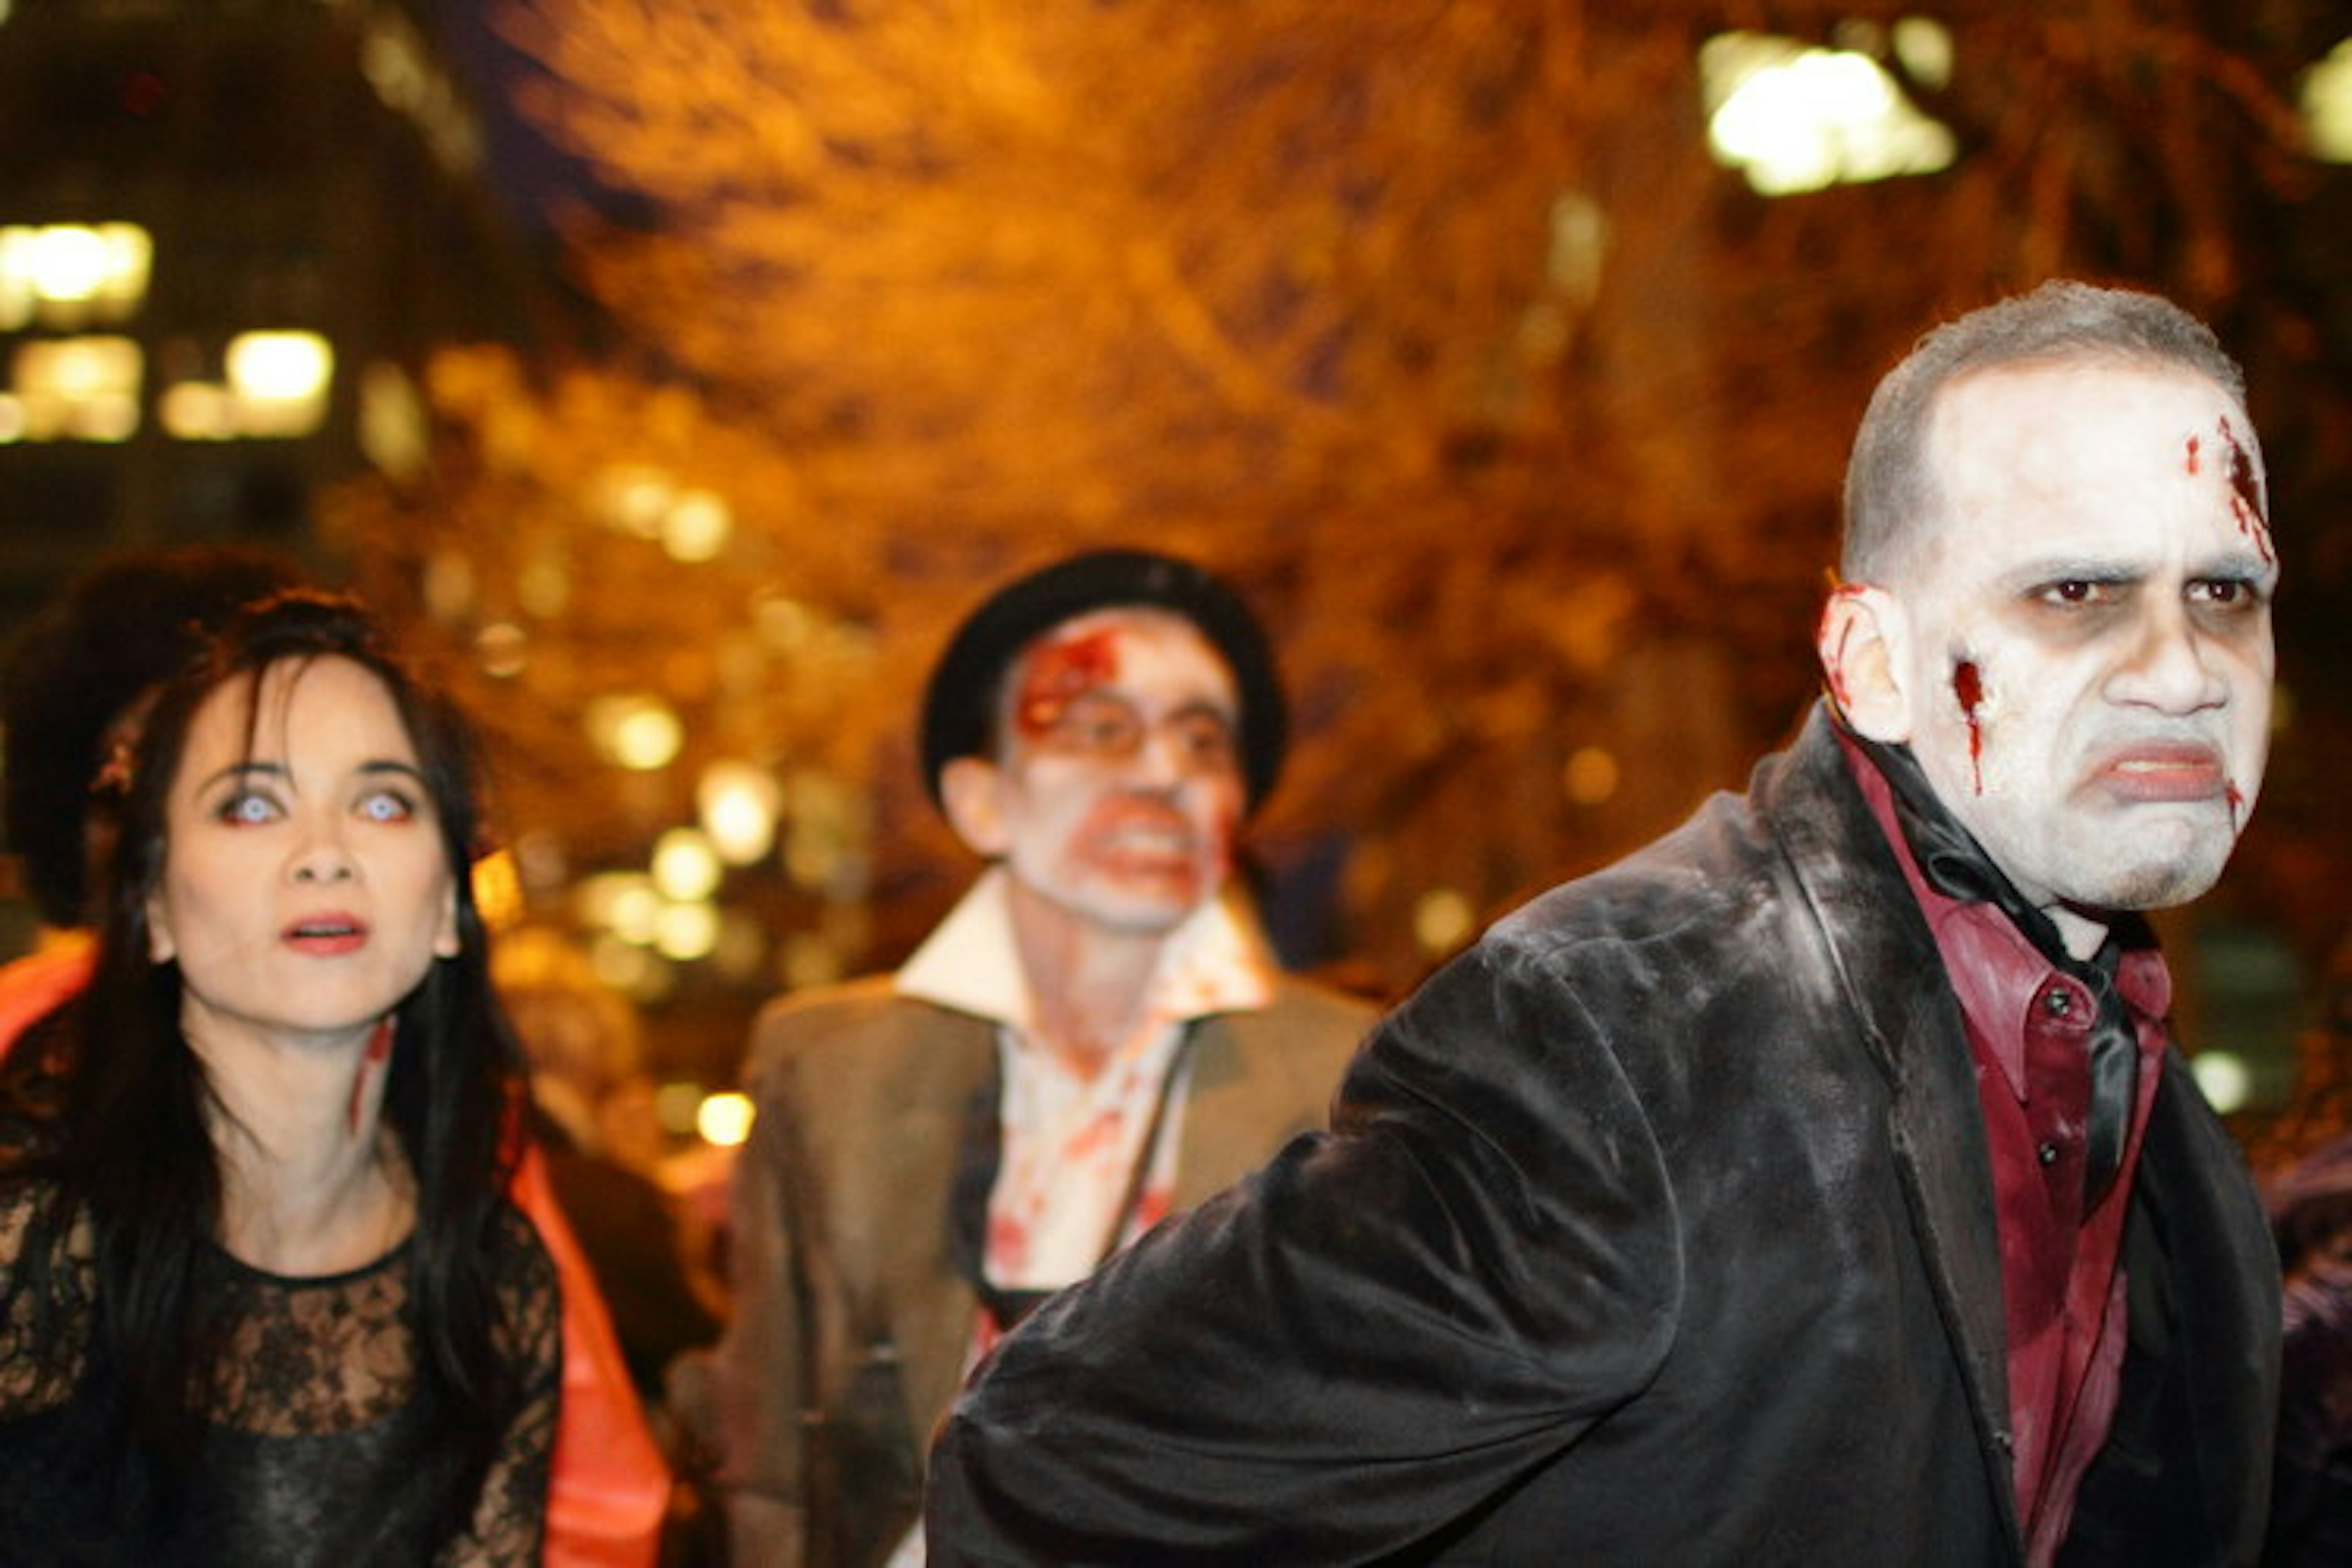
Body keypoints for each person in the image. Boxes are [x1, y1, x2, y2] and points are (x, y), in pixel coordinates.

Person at [924, 281, 2284, 1564]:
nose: (2179, 669)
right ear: (1873, 663)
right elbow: (1055, 1464)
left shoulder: (2140, 1079)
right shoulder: (1632, 1032)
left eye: (2224, 591)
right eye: (2077, 590)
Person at [687, 548, 1378, 1566]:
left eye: (1204, 740)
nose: (1163, 772)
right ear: (981, 802)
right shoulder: (822, 1067)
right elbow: (773, 1475)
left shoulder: (1355, 1076)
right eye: (1101, 728)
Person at [0, 553, 676, 1567]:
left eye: (385, 803)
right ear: (144, 901)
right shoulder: (35, 1244)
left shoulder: (491, 1275)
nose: (324, 852)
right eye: (252, 806)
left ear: (455, 902)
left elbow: (597, 1506)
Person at [0, 544, 301, 1042]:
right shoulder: (19, 1037)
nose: (160, 839)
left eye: (236, 804)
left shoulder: (410, 1056)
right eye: (121, 794)